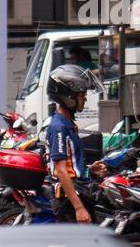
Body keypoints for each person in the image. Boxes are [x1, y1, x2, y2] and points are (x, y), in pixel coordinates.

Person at [45, 63, 106, 223]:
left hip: (76, 192)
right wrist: (79, 208)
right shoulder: (59, 127)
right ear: (68, 97)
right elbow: (61, 171)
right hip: (69, 200)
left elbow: (70, 167)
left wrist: (88, 170)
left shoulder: (67, 123)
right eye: (81, 94)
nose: (85, 98)